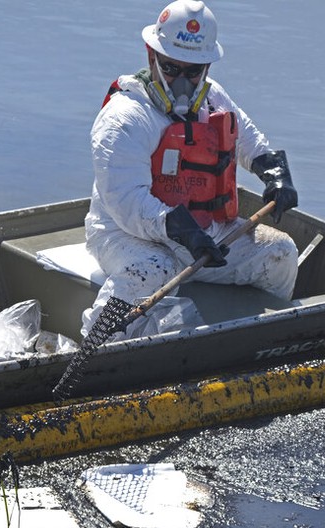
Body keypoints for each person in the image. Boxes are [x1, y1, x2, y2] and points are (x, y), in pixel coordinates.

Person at [81, 0, 299, 341]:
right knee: (154, 268)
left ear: (206, 67)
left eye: (192, 71)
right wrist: (181, 230)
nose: (181, 81)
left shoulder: (214, 100)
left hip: (204, 236)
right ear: (151, 56)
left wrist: (274, 172)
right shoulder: (124, 118)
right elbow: (126, 203)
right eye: (170, 68)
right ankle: (100, 345)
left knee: (280, 253)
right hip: (126, 236)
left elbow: (248, 140)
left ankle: (259, 340)